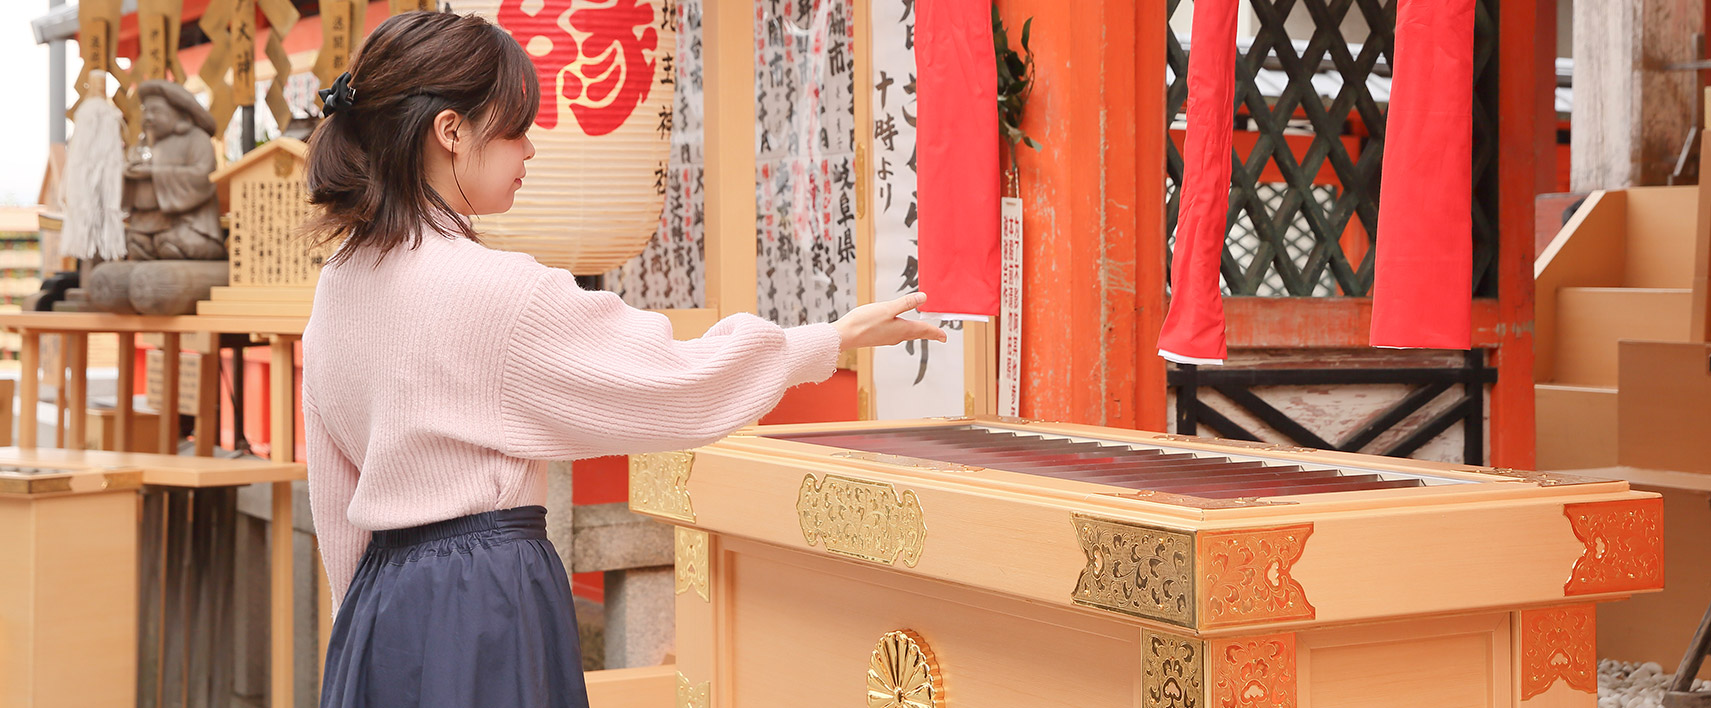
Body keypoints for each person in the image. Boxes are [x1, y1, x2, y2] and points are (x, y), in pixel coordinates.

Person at [299, 11, 943, 708]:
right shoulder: (499, 293)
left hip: (377, 605)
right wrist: (826, 341)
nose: (530, 149)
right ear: (450, 132)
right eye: (515, 126)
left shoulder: (339, 284)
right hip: (481, 597)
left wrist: (359, 633)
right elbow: (677, 382)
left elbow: (335, 499)